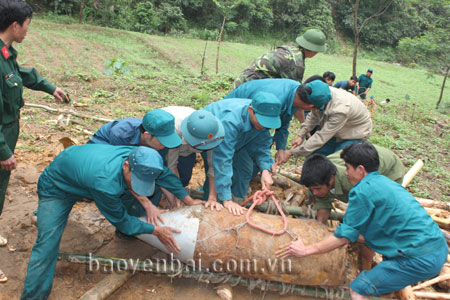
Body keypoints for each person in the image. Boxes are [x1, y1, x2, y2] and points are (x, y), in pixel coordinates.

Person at [277, 142, 447, 299]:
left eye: (348, 168)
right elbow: (376, 228)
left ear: (360, 169)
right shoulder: (383, 182)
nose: (346, 172)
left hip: (417, 258)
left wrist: (305, 250)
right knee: (385, 287)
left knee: (358, 288)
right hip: (436, 249)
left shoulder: (362, 192)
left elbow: (344, 237)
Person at [21, 145, 182, 299]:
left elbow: (165, 175)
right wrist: (156, 231)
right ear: (126, 166)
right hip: (57, 187)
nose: (140, 185)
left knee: (129, 197)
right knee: (47, 244)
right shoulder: (105, 184)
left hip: (83, 173)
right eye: (138, 179)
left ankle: (127, 235)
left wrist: (186, 198)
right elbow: (122, 221)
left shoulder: (141, 157)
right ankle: (33, 296)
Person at [0, 0, 69, 283]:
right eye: (27, 24)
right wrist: (3, 151)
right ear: (15, 25)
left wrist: (49, 87)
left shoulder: (5, 54)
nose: (28, 30)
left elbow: (21, 75)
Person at [88, 109, 202, 224]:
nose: (165, 145)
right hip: (104, 157)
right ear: (147, 135)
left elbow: (162, 173)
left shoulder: (158, 142)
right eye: (163, 142)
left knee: (151, 182)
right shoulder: (121, 134)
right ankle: (130, 222)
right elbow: (126, 172)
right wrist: (146, 204)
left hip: (132, 158)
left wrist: (176, 199)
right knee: (126, 188)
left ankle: (148, 213)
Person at [202, 92, 282, 215]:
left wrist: (265, 169)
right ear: (250, 110)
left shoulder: (261, 122)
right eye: (262, 121)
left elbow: (262, 146)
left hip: (242, 136)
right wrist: (226, 199)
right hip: (212, 137)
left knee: (245, 171)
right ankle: (213, 206)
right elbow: (222, 161)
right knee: (216, 174)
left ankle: (238, 204)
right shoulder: (229, 121)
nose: (265, 126)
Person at [299, 144, 405, 223]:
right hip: (364, 159)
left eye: (317, 189)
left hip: (389, 168)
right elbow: (323, 204)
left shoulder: (353, 181)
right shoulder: (318, 176)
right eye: (312, 189)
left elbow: (361, 212)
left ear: (331, 179)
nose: (315, 193)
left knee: (379, 215)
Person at [286, 78, 372, 157]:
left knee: (339, 160)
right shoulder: (320, 93)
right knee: (313, 156)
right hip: (336, 129)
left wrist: (291, 153)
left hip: (354, 132)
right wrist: (301, 135)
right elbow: (313, 116)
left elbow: (322, 137)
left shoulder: (340, 109)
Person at [159, 106, 225, 210]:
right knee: (163, 174)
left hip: (188, 145)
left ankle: (180, 195)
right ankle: (163, 199)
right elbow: (172, 166)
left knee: (185, 176)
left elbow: (214, 167)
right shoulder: (174, 132)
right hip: (166, 138)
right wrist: (178, 195)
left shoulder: (212, 134)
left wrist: (212, 197)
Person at [233, 28, 326, 88]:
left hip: (243, 80)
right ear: (314, 50)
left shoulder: (290, 49)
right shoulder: (296, 64)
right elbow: (293, 91)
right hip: (248, 87)